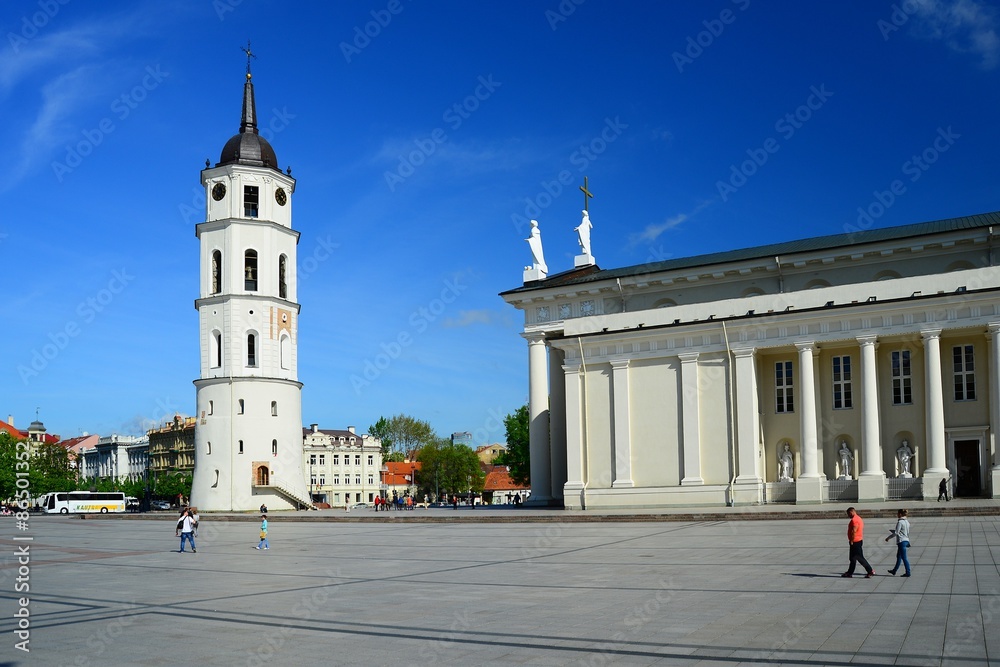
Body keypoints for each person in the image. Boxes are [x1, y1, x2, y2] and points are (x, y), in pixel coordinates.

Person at [842, 507, 874, 578]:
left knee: (860, 558)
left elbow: (854, 531)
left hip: (855, 541)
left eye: (848, 514)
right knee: (852, 558)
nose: (848, 516)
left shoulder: (855, 520)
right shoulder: (859, 518)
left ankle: (870, 571)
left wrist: (851, 540)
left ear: (851, 512)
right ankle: (850, 572)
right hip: (858, 540)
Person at [885, 509, 911, 577]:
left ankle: (908, 572)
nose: (897, 515)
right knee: (899, 556)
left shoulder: (900, 522)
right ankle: (894, 570)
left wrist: (888, 538)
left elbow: (896, 533)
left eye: (898, 513)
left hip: (901, 541)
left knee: (904, 557)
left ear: (900, 514)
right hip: (906, 540)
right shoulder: (907, 522)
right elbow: (904, 531)